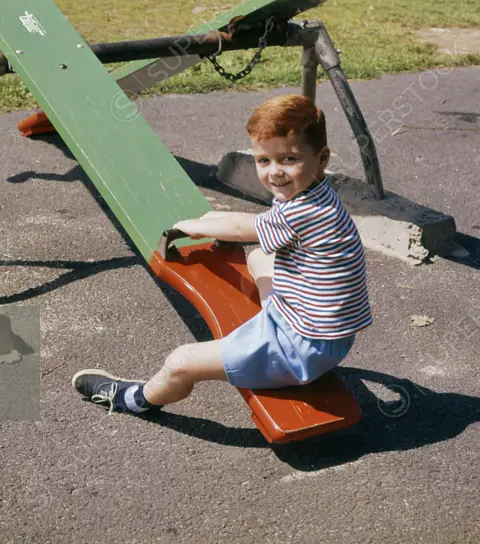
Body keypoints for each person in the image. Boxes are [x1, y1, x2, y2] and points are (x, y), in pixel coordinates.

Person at [72, 93, 371, 416]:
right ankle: (265, 334)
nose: (275, 173)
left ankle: (134, 400)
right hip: (326, 334)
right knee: (258, 258)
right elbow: (258, 226)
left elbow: (246, 228)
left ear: (322, 159)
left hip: (299, 349)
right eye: (263, 160)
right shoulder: (315, 192)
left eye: (289, 159)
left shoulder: (305, 212)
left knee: (181, 361)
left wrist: (199, 227)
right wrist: (212, 221)